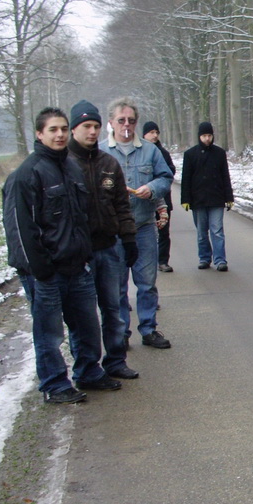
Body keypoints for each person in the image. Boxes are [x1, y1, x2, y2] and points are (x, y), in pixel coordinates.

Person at [2, 107, 112, 403]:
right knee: (49, 334)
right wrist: (41, 270)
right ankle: (55, 385)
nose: (60, 134)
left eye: (63, 128)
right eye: (53, 129)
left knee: (87, 325)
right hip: (45, 272)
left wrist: (85, 255)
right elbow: (20, 228)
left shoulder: (71, 168)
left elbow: (81, 217)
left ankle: (89, 372)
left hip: (77, 267)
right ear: (39, 134)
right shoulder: (26, 174)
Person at [68, 100, 140, 382]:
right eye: (86, 126)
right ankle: (87, 368)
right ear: (74, 129)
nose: (92, 131)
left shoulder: (108, 163)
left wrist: (129, 238)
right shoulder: (64, 164)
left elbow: (122, 205)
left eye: (96, 126)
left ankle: (116, 361)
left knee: (113, 308)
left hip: (109, 248)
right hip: (79, 254)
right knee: (84, 315)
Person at [104, 97, 174, 349]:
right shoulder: (101, 152)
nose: (126, 125)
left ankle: (149, 329)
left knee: (146, 282)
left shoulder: (150, 150)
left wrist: (152, 188)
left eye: (131, 120)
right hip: (113, 231)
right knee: (117, 286)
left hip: (143, 226)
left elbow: (166, 177)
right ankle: (121, 332)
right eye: (121, 120)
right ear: (111, 122)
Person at [181, 122, 234, 272]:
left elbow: (225, 176)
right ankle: (204, 258)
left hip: (217, 198)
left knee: (217, 231)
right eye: (204, 136)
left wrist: (229, 197)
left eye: (209, 135)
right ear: (199, 136)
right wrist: (185, 199)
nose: (207, 139)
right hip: (198, 199)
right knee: (201, 232)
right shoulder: (190, 155)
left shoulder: (219, 153)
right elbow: (186, 178)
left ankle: (220, 260)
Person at [142, 121, 176, 272]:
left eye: (156, 132)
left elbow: (170, 172)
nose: (155, 135)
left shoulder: (164, 153)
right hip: (144, 200)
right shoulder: (140, 153)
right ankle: (147, 261)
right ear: (144, 135)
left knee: (164, 231)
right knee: (145, 232)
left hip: (163, 199)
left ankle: (163, 261)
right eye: (151, 132)